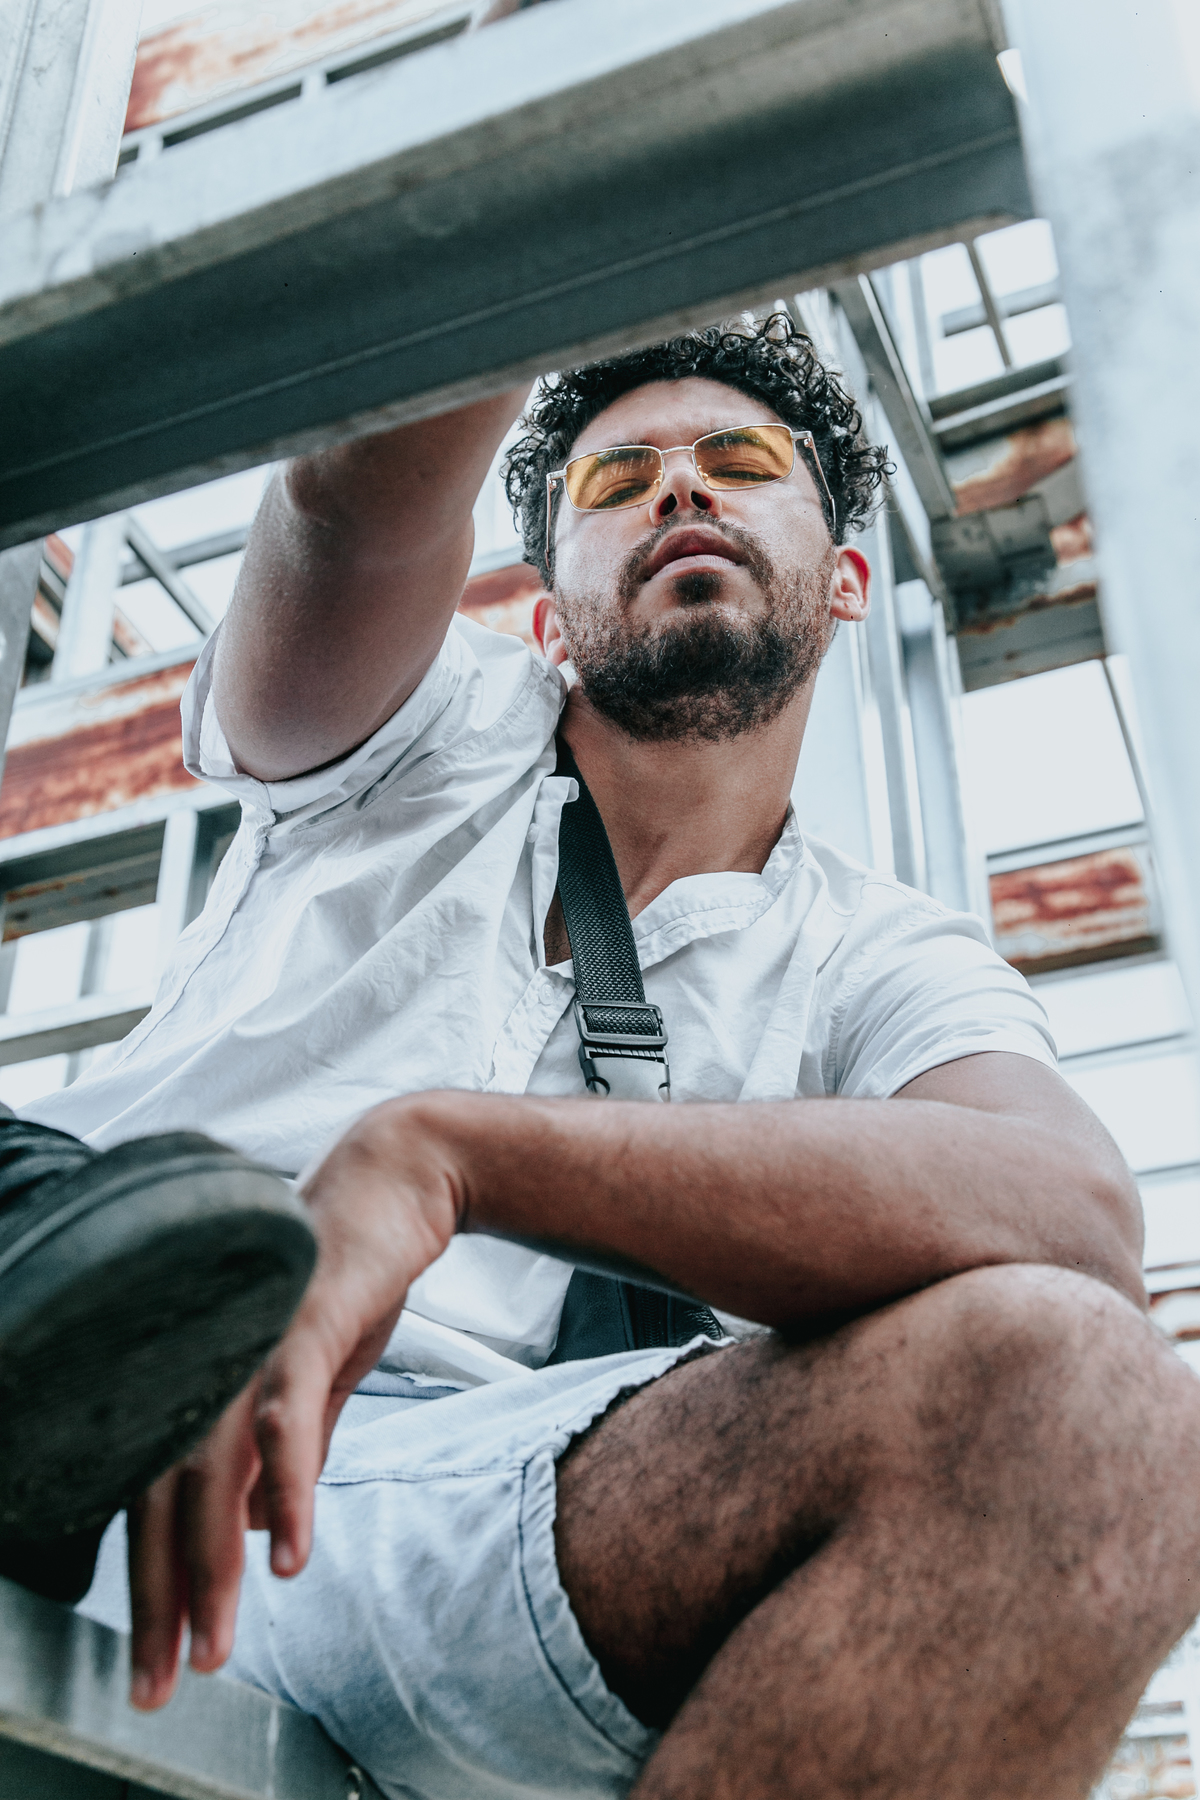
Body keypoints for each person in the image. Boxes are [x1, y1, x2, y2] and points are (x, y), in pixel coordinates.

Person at [18, 313, 1200, 1800]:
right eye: (616, 478)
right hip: (110, 1362)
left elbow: (1074, 1214)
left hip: (458, 1522)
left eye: (741, 460)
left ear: (844, 587)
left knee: (1090, 1411)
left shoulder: (880, 954)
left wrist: (449, 1154)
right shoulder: (413, 729)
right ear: (548, 618)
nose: (681, 490)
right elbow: (348, 501)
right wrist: (600, 221)